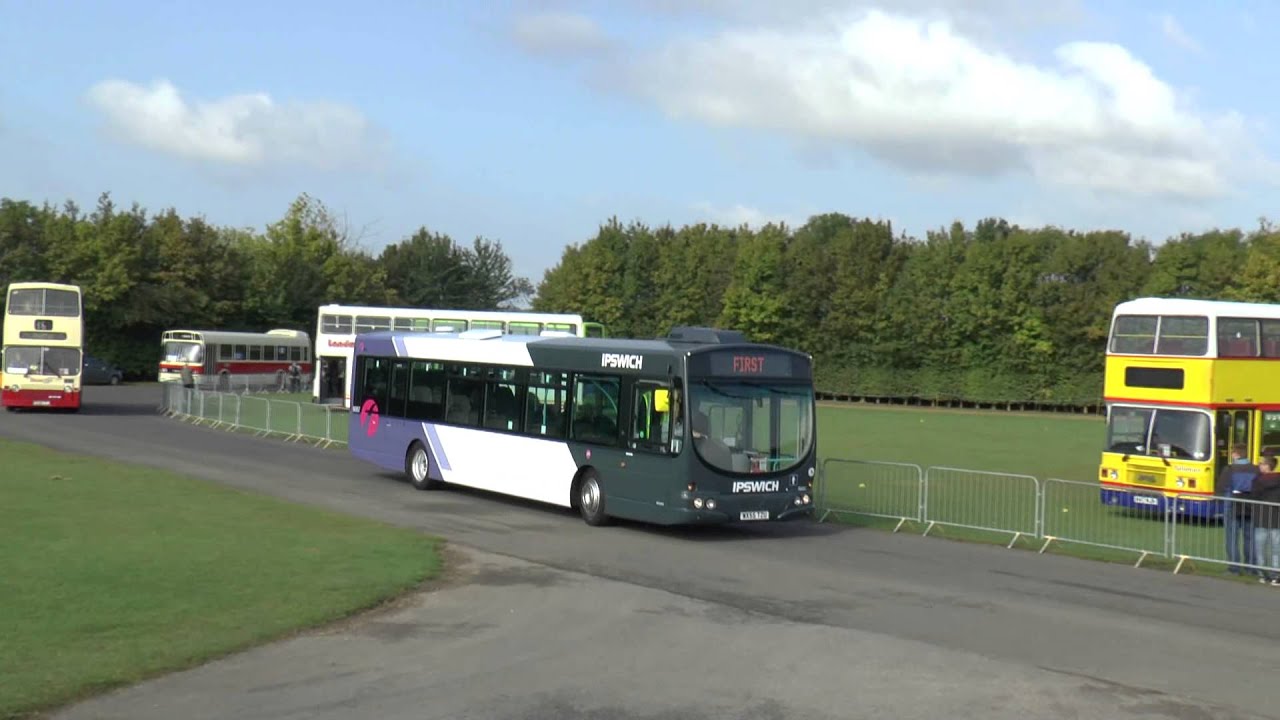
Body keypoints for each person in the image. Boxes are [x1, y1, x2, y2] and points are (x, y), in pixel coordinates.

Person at [1222, 443, 1259, 575]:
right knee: (1250, 538)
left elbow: (1224, 488)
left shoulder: (1229, 469)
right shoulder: (1256, 469)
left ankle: (1234, 568)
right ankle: (1251, 567)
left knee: (1232, 537)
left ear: (1235, 454)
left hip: (1233, 505)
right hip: (1251, 506)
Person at [1251, 456, 1280, 585]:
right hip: (1276, 517)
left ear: (1268, 466)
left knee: (1260, 548)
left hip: (1261, 516)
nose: (1259, 466)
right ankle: (1276, 575)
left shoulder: (1257, 480)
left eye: (1261, 464)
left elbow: (1254, 496)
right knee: (1276, 549)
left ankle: (1262, 575)